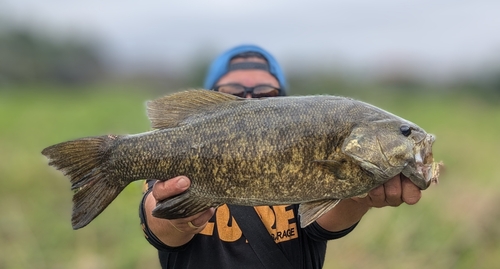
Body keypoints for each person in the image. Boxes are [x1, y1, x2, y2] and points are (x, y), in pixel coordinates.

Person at [139, 44, 422, 268]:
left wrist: (365, 196)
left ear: (285, 103)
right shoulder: (177, 149)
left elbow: (323, 222)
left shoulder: (310, 147)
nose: (249, 100)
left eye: (265, 93)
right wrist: (179, 220)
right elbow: (157, 223)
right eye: (232, 93)